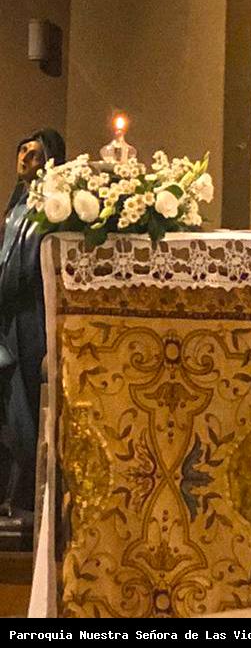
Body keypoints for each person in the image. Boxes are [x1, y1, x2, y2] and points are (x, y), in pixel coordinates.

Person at [0, 128, 66, 522]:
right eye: (23, 150)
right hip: (10, 317)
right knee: (11, 409)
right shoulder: (17, 205)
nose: (25, 157)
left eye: (35, 154)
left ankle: (25, 496)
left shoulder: (47, 209)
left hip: (30, 321)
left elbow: (28, 270)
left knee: (25, 408)